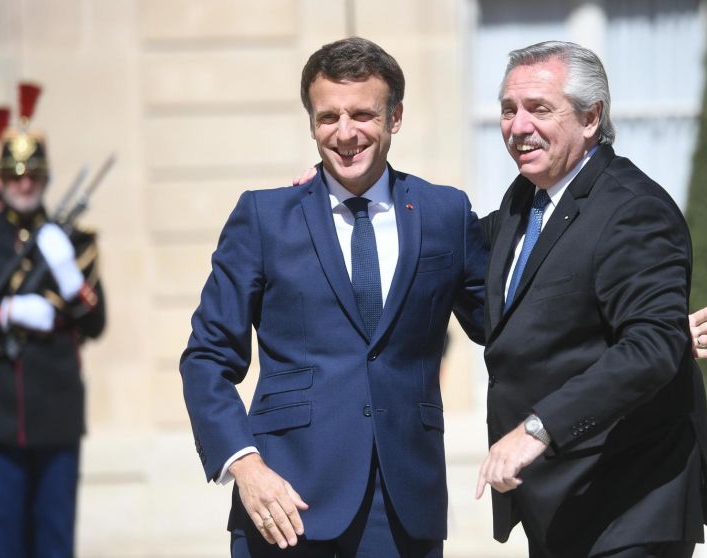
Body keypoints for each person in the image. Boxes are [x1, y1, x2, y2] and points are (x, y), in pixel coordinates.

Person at [180, 37, 490, 558]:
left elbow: (508, 323)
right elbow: (207, 358)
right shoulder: (263, 218)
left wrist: (645, 325)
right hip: (285, 503)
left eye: (362, 114)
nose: (345, 134)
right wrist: (245, 465)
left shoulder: (446, 214)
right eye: (328, 117)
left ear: (395, 118)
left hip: (404, 508)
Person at [474, 41, 707, 558]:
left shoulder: (632, 209)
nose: (518, 126)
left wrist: (538, 428)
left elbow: (651, 346)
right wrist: (337, 196)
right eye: (508, 109)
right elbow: (452, 266)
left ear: (591, 118)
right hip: (561, 503)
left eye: (539, 109)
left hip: (628, 503)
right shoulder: (526, 203)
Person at [0, 82, 106, 558]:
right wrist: (2, 312)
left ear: (46, 177)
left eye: (33, 174)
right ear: (1, 180)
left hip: (56, 411)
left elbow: (95, 323)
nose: (24, 183)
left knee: (53, 542)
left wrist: (71, 279)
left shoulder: (74, 239)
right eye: (13, 175)